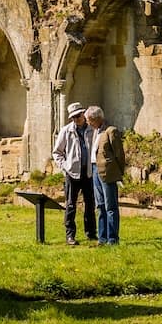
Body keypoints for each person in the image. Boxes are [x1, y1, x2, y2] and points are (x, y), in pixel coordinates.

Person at [51, 101, 96, 246]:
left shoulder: (91, 130)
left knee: (90, 204)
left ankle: (91, 233)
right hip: (72, 173)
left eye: (78, 116)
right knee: (71, 205)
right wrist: (65, 167)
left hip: (88, 173)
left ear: (83, 114)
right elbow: (57, 152)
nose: (76, 119)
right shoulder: (66, 130)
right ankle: (70, 235)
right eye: (73, 117)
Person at [86, 105, 124, 247]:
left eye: (89, 120)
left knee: (110, 206)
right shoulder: (94, 131)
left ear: (97, 119)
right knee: (100, 205)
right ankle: (102, 238)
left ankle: (112, 239)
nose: (88, 123)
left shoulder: (110, 131)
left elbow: (119, 154)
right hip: (95, 170)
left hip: (107, 173)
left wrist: (119, 173)